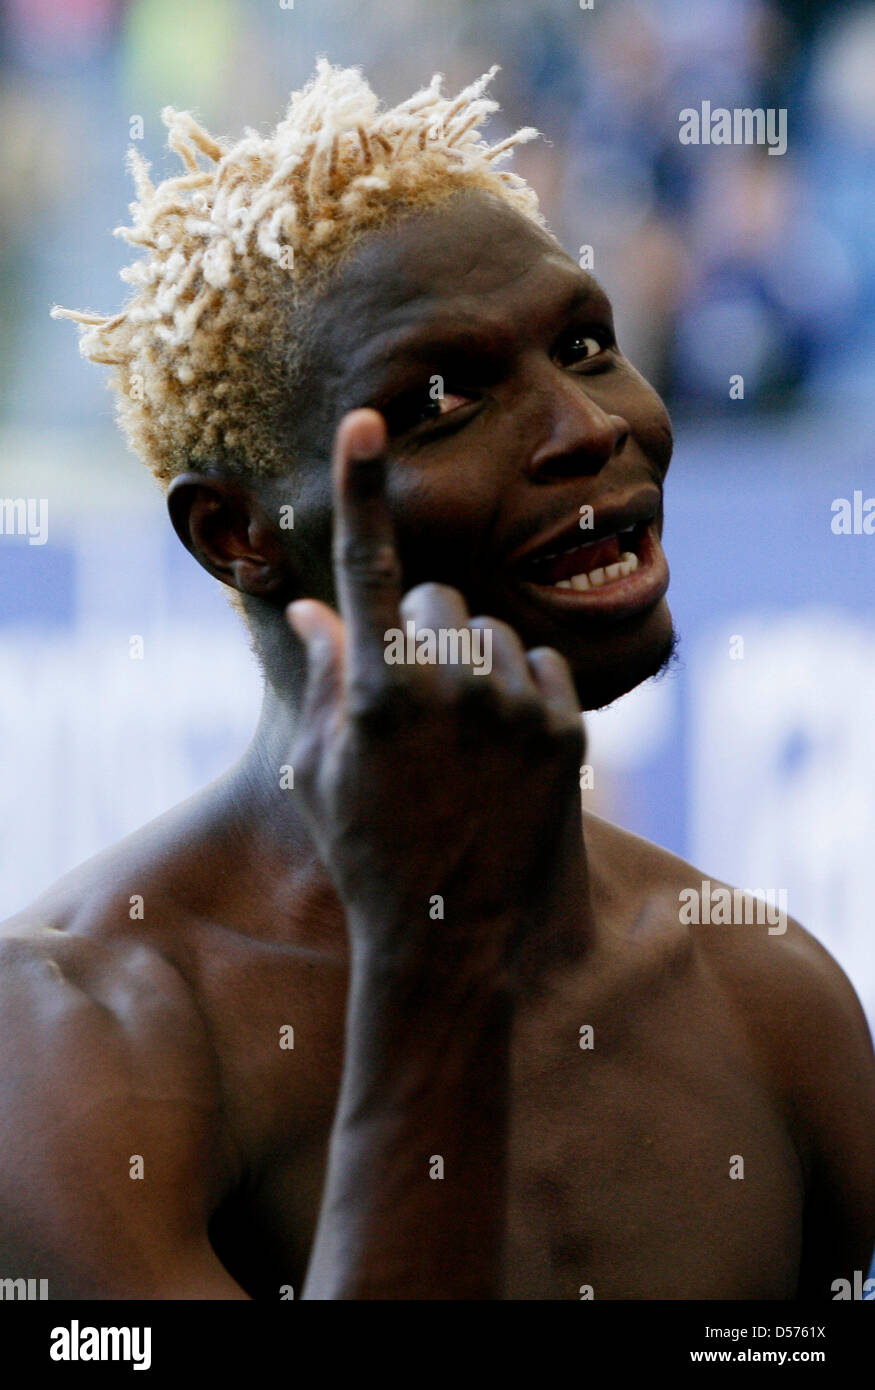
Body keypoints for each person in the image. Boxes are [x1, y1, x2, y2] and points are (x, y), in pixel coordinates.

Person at [2, 62, 873, 1300]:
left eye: (584, 344)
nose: (587, 427)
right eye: (441, 403)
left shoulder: (767, 991)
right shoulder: (64, 1038)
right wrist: (438, 962)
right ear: (238, 534)